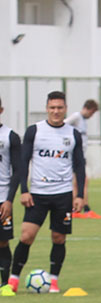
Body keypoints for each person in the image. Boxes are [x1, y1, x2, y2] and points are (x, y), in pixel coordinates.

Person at [5, 91, 86, 294]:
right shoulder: (35, 131)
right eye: (52, 108)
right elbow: (23, 162)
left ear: (65, 109)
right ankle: (13, 280)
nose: (56, 111)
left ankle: (54, 280)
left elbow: (79, 166)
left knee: (59, 238)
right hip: (38, 194)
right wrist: (25, 190)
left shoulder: (73, 134)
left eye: (59, 108)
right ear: (47, 108)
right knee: (26, 236)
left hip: (63, 194)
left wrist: (80, 195)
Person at [0, 96, 22, 289]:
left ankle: (5, 284)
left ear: (1, 110)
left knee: (2, 242)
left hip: (1, 199)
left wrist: (9, 200)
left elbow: (18, 171)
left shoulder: (10, 136)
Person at [66, 99, 100, 218]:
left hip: (81, 156)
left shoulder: (83, 121)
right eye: (92, 113)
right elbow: (63, 125)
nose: (91, 116)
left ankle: (78, 208)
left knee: (79, 182)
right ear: (88, 109)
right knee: (81, 181)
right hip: (74, 156)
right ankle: (82, 208)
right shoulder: (76, 117)